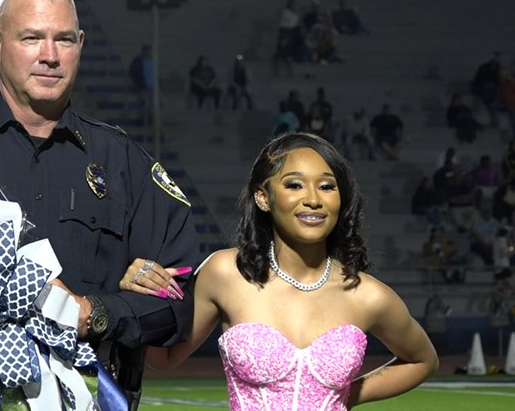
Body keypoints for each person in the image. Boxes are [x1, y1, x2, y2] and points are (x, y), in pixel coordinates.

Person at [0, 0, 200, 409]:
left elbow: (180, 301)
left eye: (63, 39)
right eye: (31, 38)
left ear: (80, 45)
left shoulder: (124, 162)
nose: (50, 55)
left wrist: (94, 313)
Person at [119, 133, 438, 410]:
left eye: (327, 186)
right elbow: (164, 359)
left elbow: (423, 360)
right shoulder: (225, 273)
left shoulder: (368, 295)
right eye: (295, 185)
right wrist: (137, 299)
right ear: (263, 197)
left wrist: (346, 396)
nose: (313, 199)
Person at [129, 44, 153, 125]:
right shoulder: (138, 61)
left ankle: (149, 120)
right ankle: (144, 121)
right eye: (146, 51)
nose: (148, 52)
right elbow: (133, 71)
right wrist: (137, 82)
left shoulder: (152, 61)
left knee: (150, 105)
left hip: (151, 87)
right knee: (143, 105)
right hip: (142, 86)